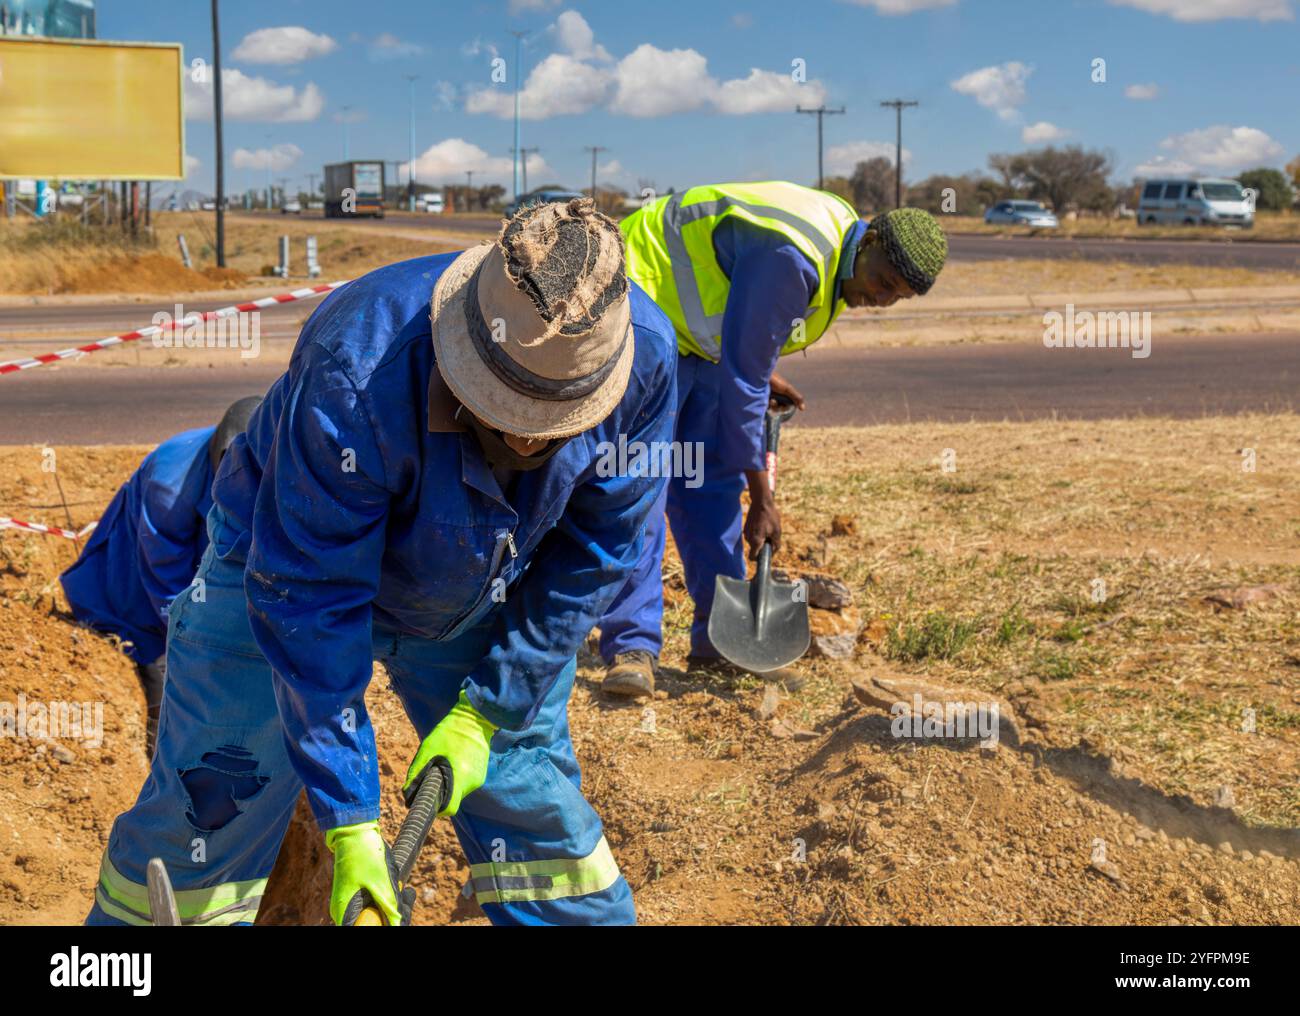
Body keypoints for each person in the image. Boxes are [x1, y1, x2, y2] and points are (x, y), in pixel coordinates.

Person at [86, 199, 676, 926]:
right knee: (212, 799)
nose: (526, 446)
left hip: (481, 575)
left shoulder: (643, 358)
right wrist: (351, 820)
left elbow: (599, 548)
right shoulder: (357, 369)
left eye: (551, 425)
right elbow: (311, 600)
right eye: (507, 415)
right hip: (281, 564)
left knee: (530, 809)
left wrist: (487, 713)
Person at [598, 182, 948, 697]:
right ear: (869, 241)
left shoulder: (846, 256)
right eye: (882, 281)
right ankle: (632, 647)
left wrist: (759, 376)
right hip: (644, 304)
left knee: (709, 485)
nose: (881, 298)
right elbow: (744, 378)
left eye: (897, 295)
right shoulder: (794, 255)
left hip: (702, 342)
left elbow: (752, 351)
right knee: (645, 478)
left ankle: (719, 646)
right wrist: (763, 499)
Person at [60, 397, 261, 753]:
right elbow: (167, 584)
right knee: (168, 668)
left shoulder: (270, 460)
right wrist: (203, 642)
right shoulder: (171, 485)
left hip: (203, 570)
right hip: (138, 580)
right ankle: (164, 769)